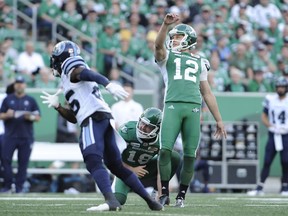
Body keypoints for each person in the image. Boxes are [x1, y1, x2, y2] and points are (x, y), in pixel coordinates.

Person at [40, 41, 162, 211]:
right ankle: (151, 202)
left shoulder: (71, 64)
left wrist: (108, 84)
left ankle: (111, 201)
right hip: (102, 118)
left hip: (93, 118)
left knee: (92, 159)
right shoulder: (66, 82)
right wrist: (58, 107)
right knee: (116, 166)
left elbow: (83, 72)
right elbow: (73, 117)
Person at [154, 13, 227, 207]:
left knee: (189, 154)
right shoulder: (166, 57)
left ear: (188, 39)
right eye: (173, 37)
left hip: (193, 108)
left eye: (177, 36)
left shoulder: (200, 62)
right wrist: (165, 25)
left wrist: (219, 119)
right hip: (172, 105)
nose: (173, 40)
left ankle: (181, 196)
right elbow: (158, 46)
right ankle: (163, 193)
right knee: (165, 150)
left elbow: (207, 93)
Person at [114, 107, 181, 205]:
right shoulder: (127, 131)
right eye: (142, 122)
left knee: (173, 157)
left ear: (156, 129)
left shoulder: (161, 140)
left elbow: (162, 166)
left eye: (148, 126)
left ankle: (155, 192)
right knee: (118, 200)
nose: (142, 127)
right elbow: (112, 157)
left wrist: (161, 193)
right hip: (125, 171)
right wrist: (132, 169)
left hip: (145, 170)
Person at [247, 77, 288, 196]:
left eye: (282, 86)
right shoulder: (270, 99)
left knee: (286, 161)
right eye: (279, 86)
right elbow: (264, 116)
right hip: (273, 134)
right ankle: (259, 188)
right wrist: (271, 126)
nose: (280, 89)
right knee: (267, 161)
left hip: (286, 135)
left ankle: (285, 187)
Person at [0, 76, 41, 193]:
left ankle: (19, 188)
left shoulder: (31, 100)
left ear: (25, 85)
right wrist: (7, 115)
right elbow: (0, 115)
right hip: (10, 136)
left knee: (23, 163)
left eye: (21, 83)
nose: (19, 85)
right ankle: (8, 185)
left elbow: (38, 117)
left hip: (26, 136)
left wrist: (30, 116)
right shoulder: (8, 99)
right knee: (5, 160)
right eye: (17, 83)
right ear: (14, 85)